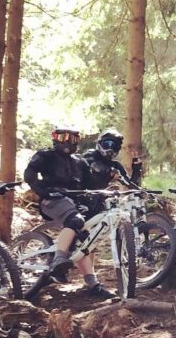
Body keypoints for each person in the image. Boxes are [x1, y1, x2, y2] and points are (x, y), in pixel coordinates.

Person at [23, 125, 116, 300]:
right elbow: (29, 175)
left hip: (73, 202)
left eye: (72, 138)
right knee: (75, 220)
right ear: (55, 138)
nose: (67, 142)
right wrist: (44, 192)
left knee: (85, 240)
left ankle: (93, 285)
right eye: (63, 137)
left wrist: (107, 178)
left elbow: (92, 185)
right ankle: (59, 261)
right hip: (52, 201)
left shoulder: (79, 162)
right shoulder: (45, 156)